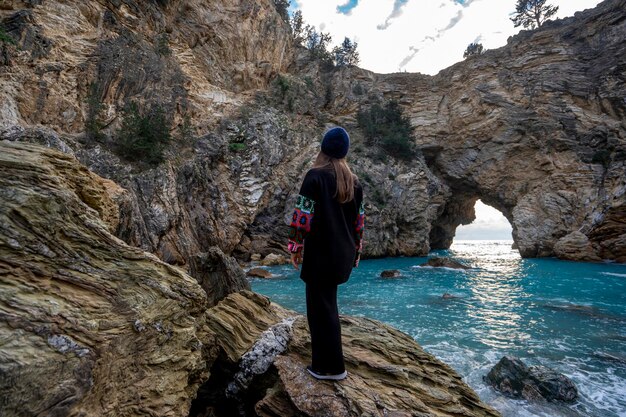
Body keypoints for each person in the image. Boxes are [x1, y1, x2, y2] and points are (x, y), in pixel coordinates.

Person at [287, 126, 365, 381]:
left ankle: (329, 368)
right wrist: (356, 253)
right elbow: (359, 223)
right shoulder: (354, 182)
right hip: (343, 255)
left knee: (320, 310)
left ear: (323, 148)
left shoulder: (314, 176)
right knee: (328, 306)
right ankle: (329, 364)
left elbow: (302, 217)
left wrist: (295, 248)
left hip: (321, 254)